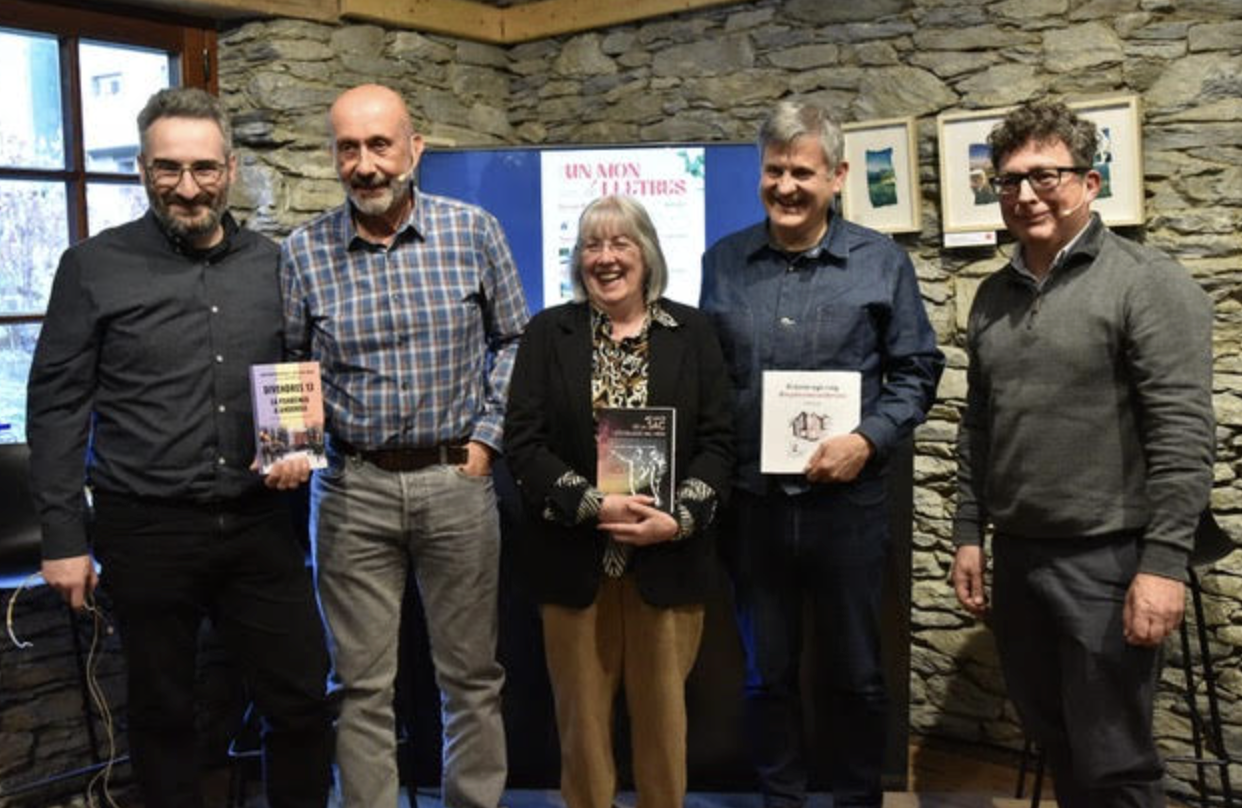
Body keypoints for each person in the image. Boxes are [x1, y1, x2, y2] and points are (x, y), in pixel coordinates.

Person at [27, 87, 332, 808]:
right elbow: (58, 406)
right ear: (142, 168)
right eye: (169, 168)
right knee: (163, 713)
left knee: (300, 702)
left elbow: (294, 369)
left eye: (203, 168)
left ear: (229, 168)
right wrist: (64, 537)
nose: (187, 186)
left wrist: (299, 445)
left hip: (262, 523)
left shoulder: (275, 263)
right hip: (146, 526)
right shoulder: (91, 267)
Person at [950, 100, 1215, 808]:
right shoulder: (989, 296)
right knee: (1055, 738)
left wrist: (1163, 567)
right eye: (1009, 180)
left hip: (1107, 561)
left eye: (1046, 176)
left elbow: (1184, 434)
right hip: (1021, 558)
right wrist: (969, 533)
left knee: (1115, 764)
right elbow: (980, 424)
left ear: (1090, 184)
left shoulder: (1147, 282)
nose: (1026, 195)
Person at [281, 83, 528, 808]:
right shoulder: (302, 252)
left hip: (455, 479)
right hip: (350, 491)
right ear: (334, 156)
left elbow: (515, 338)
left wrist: (486, 441)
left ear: (414, 149)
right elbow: (290, 365)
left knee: (472, 678)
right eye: (348, 148)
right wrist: (293, 445)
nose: (365, 164)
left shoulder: (473, 231)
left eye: (380, 144)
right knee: (358, 686)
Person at [699, 99, 943, 808]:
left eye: (801, 172)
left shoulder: (880, 262)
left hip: (849, 508)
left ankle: (857, 798)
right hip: (754, 508)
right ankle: (782, 799)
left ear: (836, 176)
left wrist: (867, 439)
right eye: (773, 171)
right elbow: (709, 376)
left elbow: (917, 371)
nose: (786, 186)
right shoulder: (724, 263)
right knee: (764, 676)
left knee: (857, 676)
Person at [505, 195, 733, 808]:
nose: (605, 258)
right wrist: (591, 506)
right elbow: (523, 443)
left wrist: (679, 517)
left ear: (647, 253)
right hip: (575, 564)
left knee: (664, 731)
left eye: (619, 244)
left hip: (668, 563)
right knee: (581, 732)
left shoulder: (695, 333)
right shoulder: (547, 332)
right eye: (591, 246)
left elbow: (719, 443)